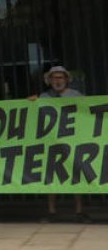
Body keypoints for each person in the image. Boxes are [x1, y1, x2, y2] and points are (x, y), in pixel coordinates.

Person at [28, 66, 87, 222]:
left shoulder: (77, 95)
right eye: (54, 78)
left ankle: (79, 211)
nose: (57, 81)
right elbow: (35, 116)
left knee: (75, 175)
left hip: (72, 142)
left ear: (66, 80)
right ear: (49, 81)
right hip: (52, 143)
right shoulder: (45, 97)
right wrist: (31, 104)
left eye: (60, 77)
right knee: (51, 176)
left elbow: (87, 113)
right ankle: (52, 212)